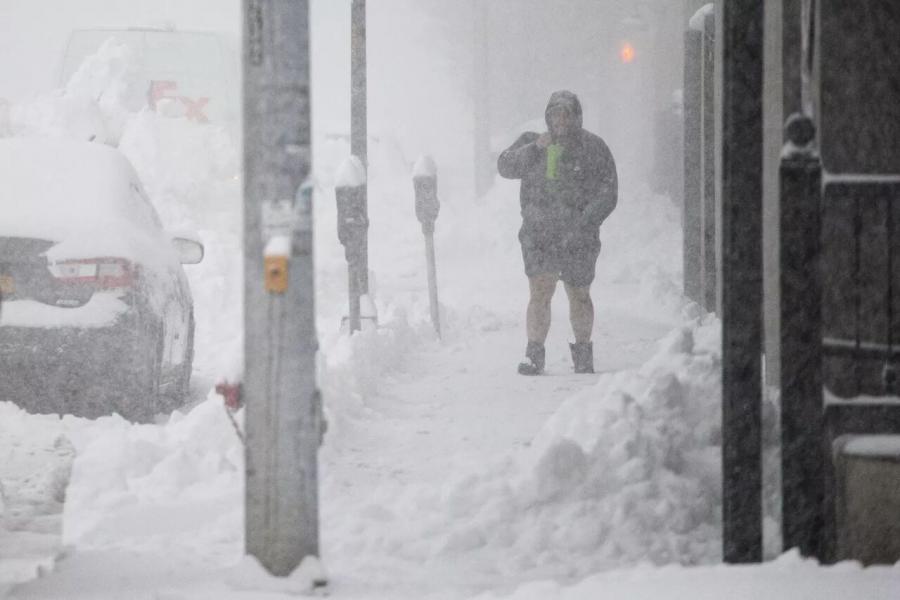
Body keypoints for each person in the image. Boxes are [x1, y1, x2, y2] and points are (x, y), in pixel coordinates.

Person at [497, 90, 618, 375]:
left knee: (579, 294)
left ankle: (583, 353)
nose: (560, 120)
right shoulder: (533, 142)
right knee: (540, 291)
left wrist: (586, 221)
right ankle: (534, 354)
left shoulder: (593, 147)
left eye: (566, 114)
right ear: (548, 117)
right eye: (555, 114)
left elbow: (609, 192)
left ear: (576, 117)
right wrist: (535, 148)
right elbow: (505, 165)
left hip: (579, 237)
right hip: (539, 234)